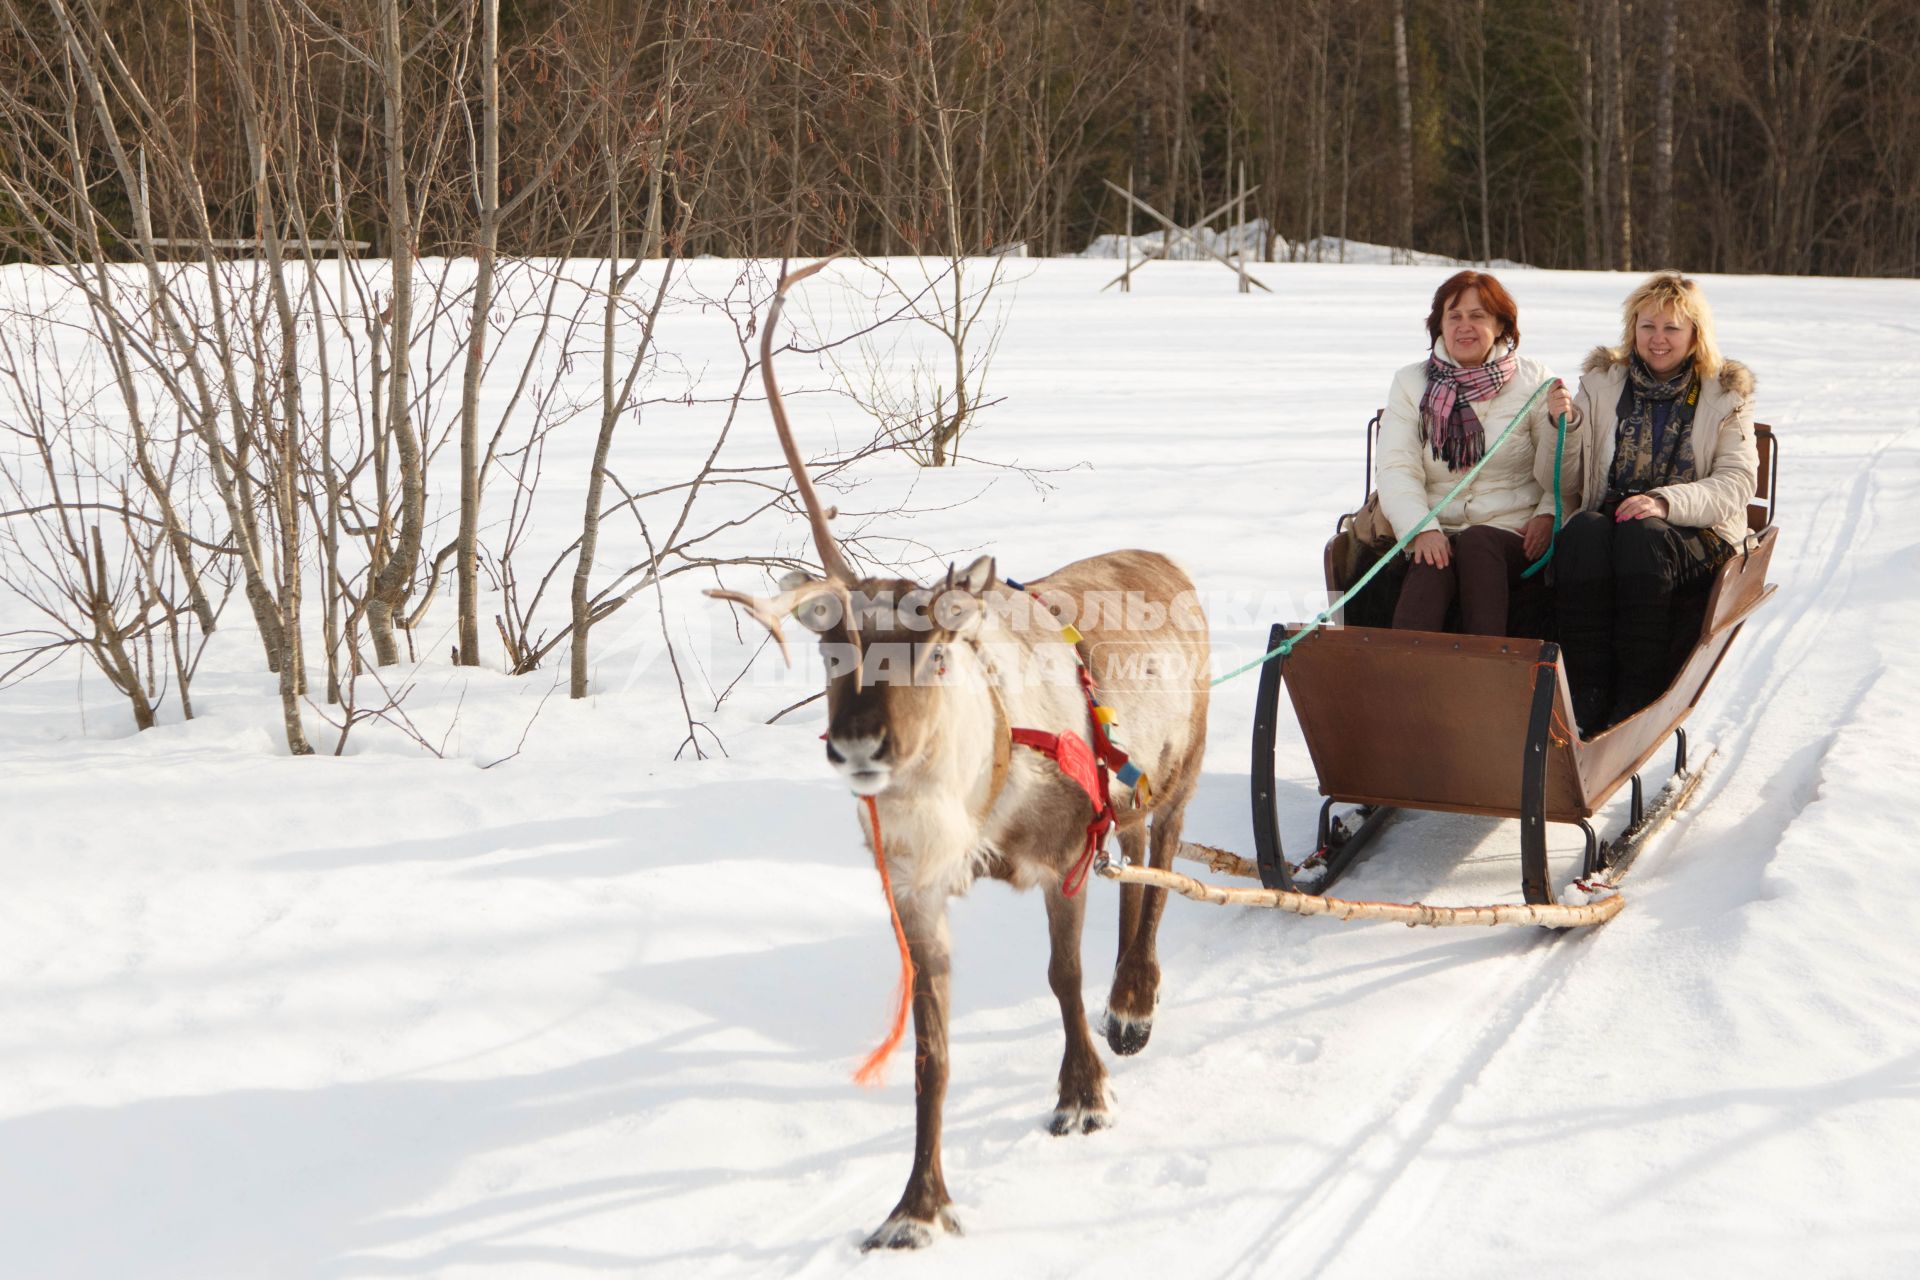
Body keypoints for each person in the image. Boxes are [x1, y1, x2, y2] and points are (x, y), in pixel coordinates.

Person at [1555, 271, 1757, 733]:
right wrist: (1562, 429)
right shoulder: (1603, 384)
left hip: (1696, 528)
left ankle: (1639, 689)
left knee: (1642, 537)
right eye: (1648, 326)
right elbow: (1568, 479)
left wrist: (1664, 502)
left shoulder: (1725, 395)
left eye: (1672, 328)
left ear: (1694, 335)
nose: (1658, 339)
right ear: (1633, 331)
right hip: (1616, 517)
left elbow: (1737, 481)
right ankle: (1587, 686)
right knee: (1584, 531)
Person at [1376, 270, 1576, 635]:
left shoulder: (1535, 381)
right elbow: (1397, 469)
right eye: (1454, 316)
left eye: (1478, 316)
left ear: (1501, 325)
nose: (1464, 327)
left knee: (1478, 544)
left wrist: (1548, 515)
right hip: (1438, 526)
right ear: (1439, 325)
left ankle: (1486, 672)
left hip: (1511, 532)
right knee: (1429, 568)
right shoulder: (1410, 383)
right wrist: (1422, 530)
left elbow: (1563, 465)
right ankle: (1402, 678)